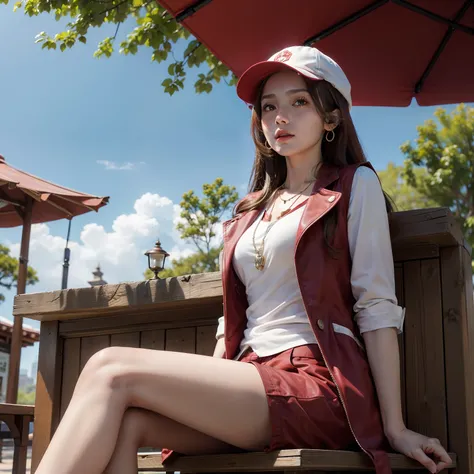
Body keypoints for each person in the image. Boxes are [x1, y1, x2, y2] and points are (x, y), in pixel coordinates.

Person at [33, 46, 452, 474]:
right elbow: (231, 321)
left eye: (299, 102)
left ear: (332, 117)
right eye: (269, 107)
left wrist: (395, 428)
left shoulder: (352, 185)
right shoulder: (247, 212)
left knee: (109, 366)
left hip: (316, 383)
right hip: (248, 378)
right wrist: (205, 388)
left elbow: (375, 307)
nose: (279, 117)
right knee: (129, 423)